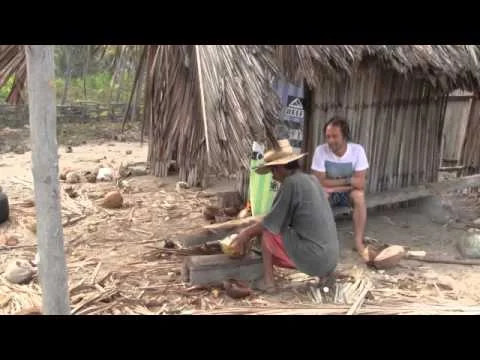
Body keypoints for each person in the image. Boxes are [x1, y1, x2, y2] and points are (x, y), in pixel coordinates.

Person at [231, 139, 339, 292]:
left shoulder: (291, 183)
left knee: (268, 233)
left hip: (316, 258)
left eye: (272, 171)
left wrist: (245, 234)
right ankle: (325, 276)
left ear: (281, 167)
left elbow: (270, 223)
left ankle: (268, 283)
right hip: (331, 259)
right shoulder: (312, 179)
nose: (273, 176)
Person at [311, 116, 369, 262]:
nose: (330, 140)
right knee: (320, 195)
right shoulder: (320, 151)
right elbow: (319, 181)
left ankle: (358, 242)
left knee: (359, 196)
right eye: (328, 136)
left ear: (345, 136)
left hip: (345, 193)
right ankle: (321, 242)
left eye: (335, 136)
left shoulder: (357, 151)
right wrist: (349, 182)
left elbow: (361, 183)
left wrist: (333, 184)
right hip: (329, 192)